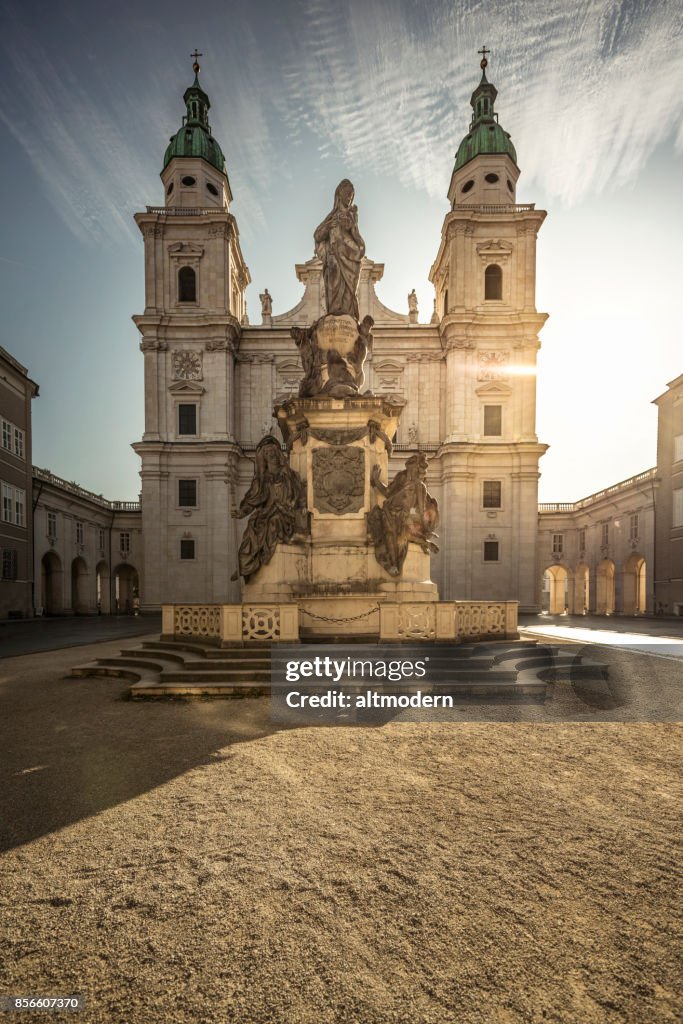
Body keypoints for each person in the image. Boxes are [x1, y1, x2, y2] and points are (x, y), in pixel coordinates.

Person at [231, 436, 306, 582]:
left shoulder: (291, 476)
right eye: (267, 454)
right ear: (263, 459)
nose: (271, 456)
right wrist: (241, 512)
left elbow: (300, 494)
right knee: (252, 527)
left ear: (278, 455)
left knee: (274, 523)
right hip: (268, 513)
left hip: (286, 514)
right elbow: (252, 500)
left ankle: (252, 564)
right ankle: (245, 565)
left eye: (273, 452)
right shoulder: (261, 480)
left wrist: (300, 507)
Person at [369, 454, 439, 575]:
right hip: (389, 511)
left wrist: (427, 529)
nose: (412, 472)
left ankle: (421, 544)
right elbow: (387, 492)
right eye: (411, 468)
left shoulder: (420, 487)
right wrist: (376, 481)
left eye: (416, 470)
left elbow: (421, 511)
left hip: (403, 516)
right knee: (389, 536)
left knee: (399, 537)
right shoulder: (402, 477)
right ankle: (392, 565)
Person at [314, 180, 365, 320]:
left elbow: (358, 241)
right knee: (334, 282)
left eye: (351, 195)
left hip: (350, 260)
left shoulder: (352, 216)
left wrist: (352, 227)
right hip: (334, 257)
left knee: (349, 290)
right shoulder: (332, 216)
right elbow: (317, 235)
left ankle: (347, 317)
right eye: (347, 193)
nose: (349, 197)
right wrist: (330, 225)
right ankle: (335, 313)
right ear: (339, 194)